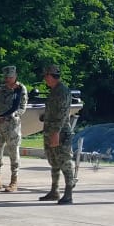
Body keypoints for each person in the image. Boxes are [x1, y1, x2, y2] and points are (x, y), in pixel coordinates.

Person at [0, 66, 28, 192]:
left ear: (15, 76)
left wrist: (12, 115)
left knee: (13, 153)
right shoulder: (0, 88)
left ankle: (14, 181)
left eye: (10, 77)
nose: (8, 79)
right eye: (6, 77)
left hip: (11, 126)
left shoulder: (20, 89)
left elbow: (22, 107)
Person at [40, 64, 76, 204]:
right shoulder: (54, 90)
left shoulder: (63, 91)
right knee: (54, 162)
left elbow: (62, 113)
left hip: (60, 132)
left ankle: (68, 194)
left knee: (64, 161)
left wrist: (56, 132)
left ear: (51, 76)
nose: (45, 79)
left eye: (46, 76)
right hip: (51, 131)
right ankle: (54, 191)